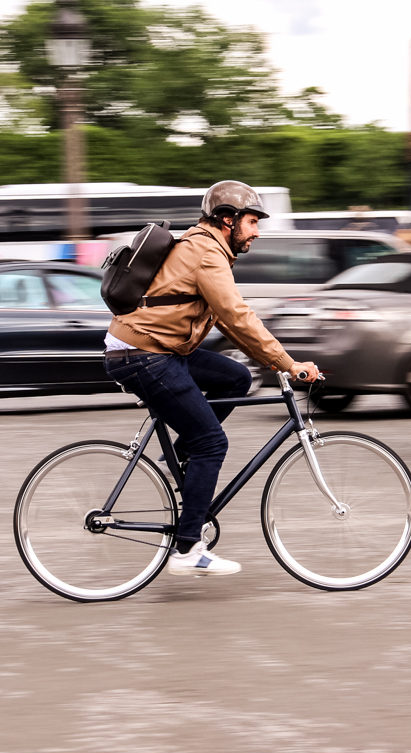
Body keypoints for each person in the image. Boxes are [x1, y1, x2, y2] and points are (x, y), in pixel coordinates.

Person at [103, 180, 320, 577]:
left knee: (235, 377)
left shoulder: (207, 248)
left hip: (157, 349)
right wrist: (288, 364)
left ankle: (182, 457)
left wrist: (271, 361)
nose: (257, 231)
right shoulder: (206, 252)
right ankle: (187, 549)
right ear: (227, 220)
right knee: (212, 443)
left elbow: (226, 317)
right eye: (252, 221)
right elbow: (237, 316)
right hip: (144, 355)